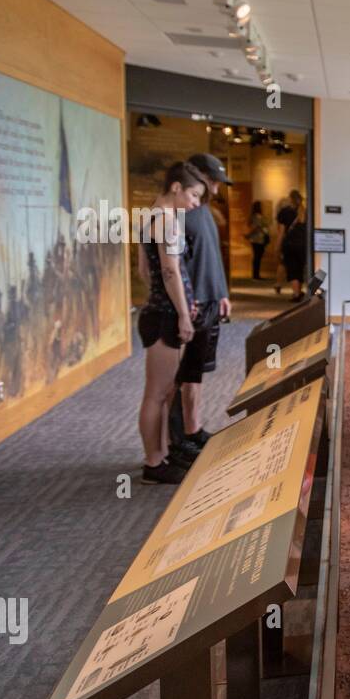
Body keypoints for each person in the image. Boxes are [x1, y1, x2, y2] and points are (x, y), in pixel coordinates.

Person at [136, 162, 204, 484]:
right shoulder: (165, 220)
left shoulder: (153, 214)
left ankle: (161, 455)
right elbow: (169, 270)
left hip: (159, 311)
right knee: (157, 393)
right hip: (164, 316)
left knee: (163, 393)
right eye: (193, 195)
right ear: (176, 187)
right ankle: (154, 463)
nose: (196, 203)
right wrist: (181, 313)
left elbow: (142, 271)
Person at [168, 153, 234, 462]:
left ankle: (193, 431)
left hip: (210, 301)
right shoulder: (176, 217)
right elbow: (172, 268)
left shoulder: (204, 212)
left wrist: (221, 292)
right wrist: (185, 307)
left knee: (197, 372)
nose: (215, 190)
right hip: (192, 306)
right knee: (178, 377)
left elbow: (212, 257)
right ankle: (177, 441)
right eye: (211, 183)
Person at [276, 189, 309, 302]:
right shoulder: (306, 211)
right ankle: (299, 291)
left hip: (289, 244)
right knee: (300, 268)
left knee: (292, 269)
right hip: (304, 244)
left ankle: (296, 293)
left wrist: (278, 246)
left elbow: (281, 232)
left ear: (290, 199)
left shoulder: (284, 212)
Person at [247, 200, 270, 280]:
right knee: (257, 257)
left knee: (257, 257)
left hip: (255, 239)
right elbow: (256, 227)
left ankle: (256, 274)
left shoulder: (253, 216)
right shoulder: (258, 217)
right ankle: (255, 275)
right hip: (259, 240)